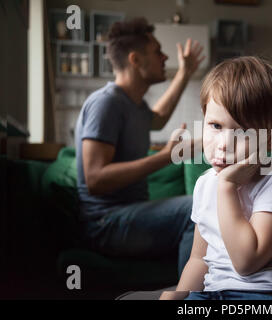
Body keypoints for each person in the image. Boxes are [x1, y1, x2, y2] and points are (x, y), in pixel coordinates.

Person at [160, 56, 272, 300]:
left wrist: (227, 187)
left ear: (269, 139)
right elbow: (199, 258)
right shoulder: (206, 183)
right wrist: (178, 295)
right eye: (215, 125)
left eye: (243, 131)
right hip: (217, 291)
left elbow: (247, 262)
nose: (224, 144)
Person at [74, 17, 205, 276]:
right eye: (157, 51)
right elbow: (95, 179)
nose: (165, 57)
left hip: (126, 216)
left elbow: (159, 116)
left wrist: (185, 73)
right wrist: (168, 156)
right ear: (135, 60)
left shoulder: (134, 105)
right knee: (197, 207)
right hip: (105, 223)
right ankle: (188, 300)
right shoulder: (106, 103)